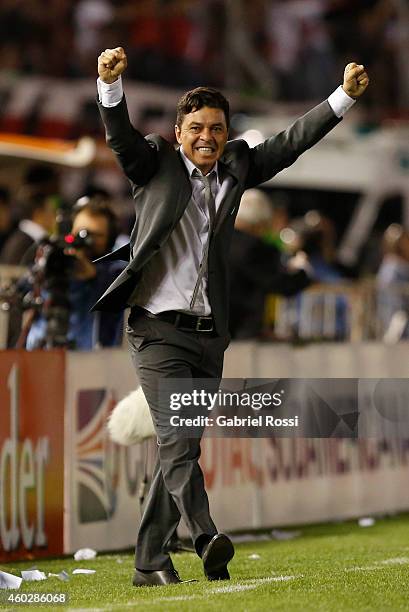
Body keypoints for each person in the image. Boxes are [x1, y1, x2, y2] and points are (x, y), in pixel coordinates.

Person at [94, 46, 369, 586]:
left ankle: (150, 561)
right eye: (196, 128)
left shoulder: (238, 165)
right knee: (176, 441)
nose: (207, 138)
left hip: (207, 336)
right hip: (155, 330)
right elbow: (121, 139)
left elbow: (290, 143)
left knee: (181, 450)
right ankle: (204, 535)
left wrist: (343, 99)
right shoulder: (154, 162)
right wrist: (109, 86)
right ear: (178, 133)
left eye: (216, 129)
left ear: (226, 134)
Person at [26, 197, 125, 350]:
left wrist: (93, 276)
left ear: (110, 240)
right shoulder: (57, 261)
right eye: (81, 233)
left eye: (97, 235)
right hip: (44, 350)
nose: (86, 240)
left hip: (94, 360)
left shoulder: (115, 272)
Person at [229, 189, 312, 339]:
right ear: (260, 222)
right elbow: (279, 283)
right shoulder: (253, 247)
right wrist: (302, 270)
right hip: (240, 329)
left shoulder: (215, 240)